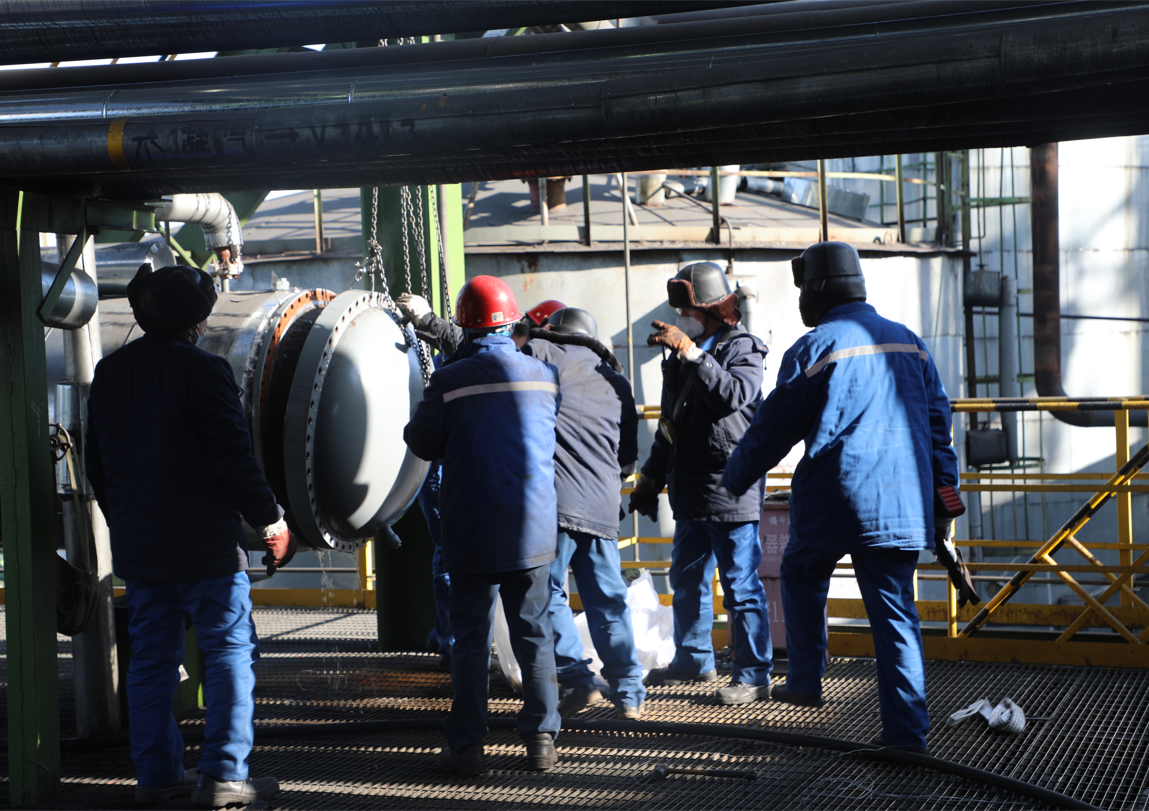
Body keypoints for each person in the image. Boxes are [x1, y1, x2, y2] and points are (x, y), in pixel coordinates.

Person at [723, 241, 960, 754]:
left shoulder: (814, 348)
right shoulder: (911, 344)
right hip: (902, 506)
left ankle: (805, 681)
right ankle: (907, 737)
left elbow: (773, 428)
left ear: (817, 290)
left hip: (835, 499)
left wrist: (735, 477)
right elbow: (939, 429)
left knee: (801, 571)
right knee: (896, 615)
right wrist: (946, 497)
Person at [86, 264, 294, 808]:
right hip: (206, 551)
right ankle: (223, 776)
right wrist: (272, 522)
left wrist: (128, 520)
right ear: (196, 321)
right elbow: (233, 459)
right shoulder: (204, 370)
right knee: (228, 652)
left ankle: (156, 777)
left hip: (142, 549)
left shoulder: (111, 372)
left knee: (151, 661)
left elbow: (97, 465)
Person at [403, 275, 562, 776]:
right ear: (512, 322)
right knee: (534, 634)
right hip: (533, 529)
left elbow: (421, 442)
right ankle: (541, 741)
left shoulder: (451, 381)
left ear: (465, 326)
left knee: (471, 640)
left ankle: (468, 748)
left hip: (472, 532)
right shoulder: (545, 376)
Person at [628, 262, 773, 705]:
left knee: (740, 586)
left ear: (710, 311)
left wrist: (693, 353)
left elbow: (732, 395)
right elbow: (670, 425)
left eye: (687, 312)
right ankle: (693, 659)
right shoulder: (681, 357)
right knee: (687, 579)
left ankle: (753, 675)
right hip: (690, 489)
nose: (680, 319)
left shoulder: (743, 349)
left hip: (730, 489)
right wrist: (651, 478)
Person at [521, 307, 645, 720]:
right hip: (603, 507)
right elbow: (628, 455)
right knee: (609, 598)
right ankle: (630, 692)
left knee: (547, 593)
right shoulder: (617, 380)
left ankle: (577, 679)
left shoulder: (539, 353)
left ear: (554, 330)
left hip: (555, 505)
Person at [398, 291, 565, 357]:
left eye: (525, 329)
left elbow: (472, 346)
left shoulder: (531, 364)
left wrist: (427, 319)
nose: (515, 333)